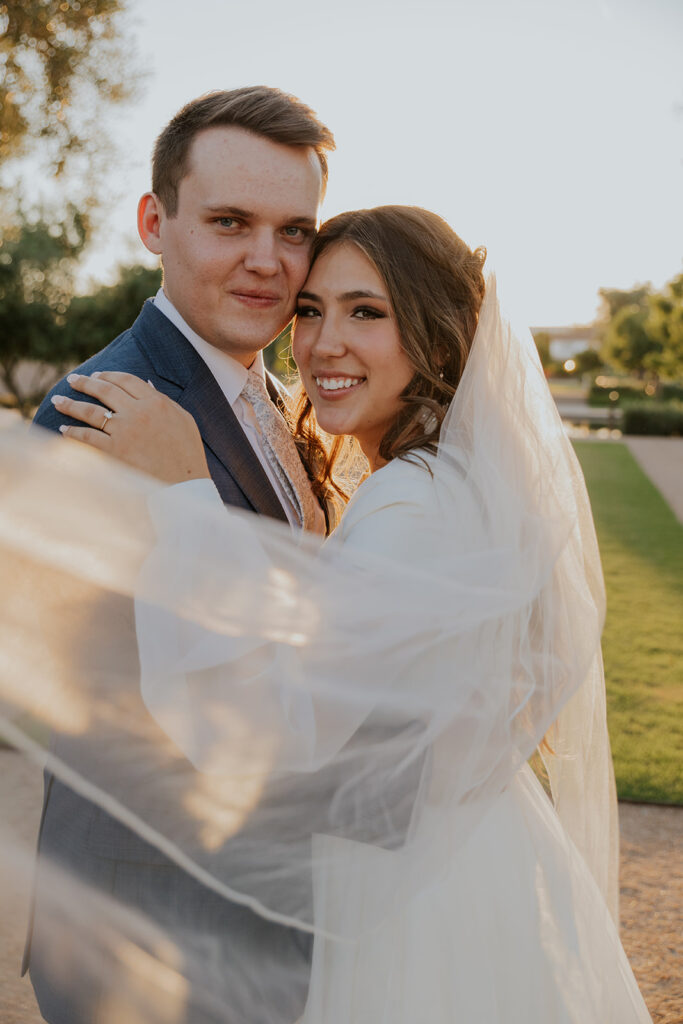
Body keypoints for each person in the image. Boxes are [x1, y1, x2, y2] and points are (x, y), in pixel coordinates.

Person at [47, 205, 652, 1022]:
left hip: (411, 898)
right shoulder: (446, 482)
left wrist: (188, 491)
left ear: (438, 335)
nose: (322, 344)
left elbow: (283, 724)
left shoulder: (410, 504)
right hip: (456, 860)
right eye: (311, 310)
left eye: (366, 311)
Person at [25, 85, 335, 1024]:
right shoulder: (98, 417)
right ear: (155, 223)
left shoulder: (276, 401)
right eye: (230, 222)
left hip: (265, 910)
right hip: (151, 926)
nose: (266, 261)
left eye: (294, 230)